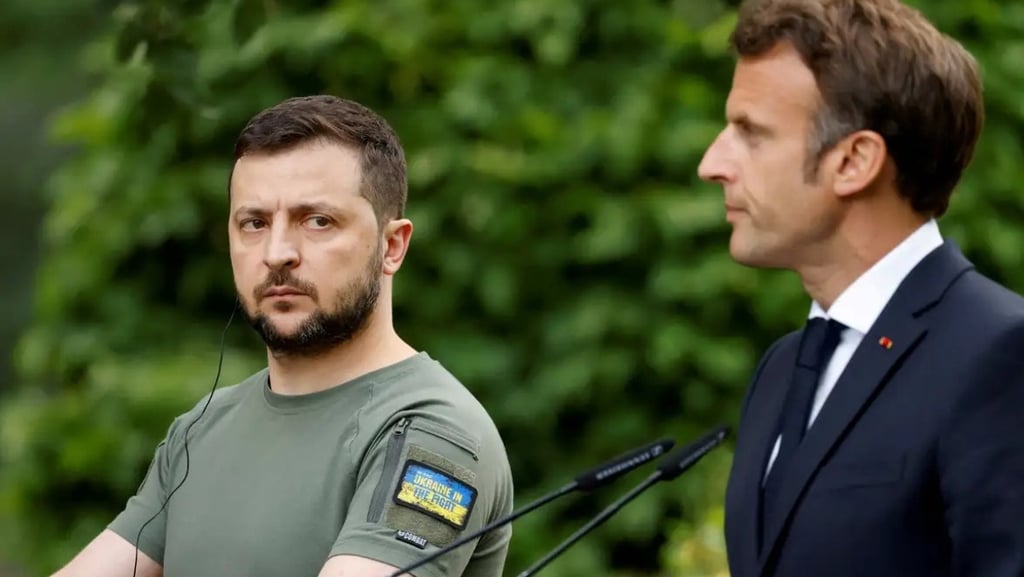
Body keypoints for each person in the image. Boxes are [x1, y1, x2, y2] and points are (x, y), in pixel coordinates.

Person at [51, 95, 514, 577]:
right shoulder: (201, 429)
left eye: (317, 221)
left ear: (391, 245)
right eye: (254, 223)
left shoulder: (433, 433)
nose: (277, 253)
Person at [697, 1, 1024, 576]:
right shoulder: (783, 369)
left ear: (854, 161)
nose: (713, 163)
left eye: (751, 133)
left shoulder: (1001, 353)